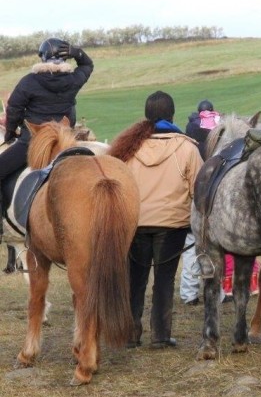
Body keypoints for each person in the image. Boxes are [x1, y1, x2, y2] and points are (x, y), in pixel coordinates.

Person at [108, 91, 203, 348]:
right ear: (172, 114)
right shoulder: (187, 148)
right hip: (172, 225)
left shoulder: (128, 147)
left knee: (134, 279)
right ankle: (160, 336)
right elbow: (199, 191)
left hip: (135, 223)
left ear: (146, 115)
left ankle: (129, 334)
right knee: (164, 279)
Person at [0, 37, 93, 239]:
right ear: (65, 56)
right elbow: (87, 64)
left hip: (32, 142)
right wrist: (77, 52)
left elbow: (14, 108)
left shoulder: (29, 81)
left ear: (42, 58)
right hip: (64, 140)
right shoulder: (73, 80)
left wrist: (9, 133)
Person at [180, 99, 221, 305]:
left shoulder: (191, 127)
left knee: (190, 248)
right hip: (216, 191)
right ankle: (220, 293)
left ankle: (189, 294)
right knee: (217, 247)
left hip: (195, 192)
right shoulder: (219, 123)